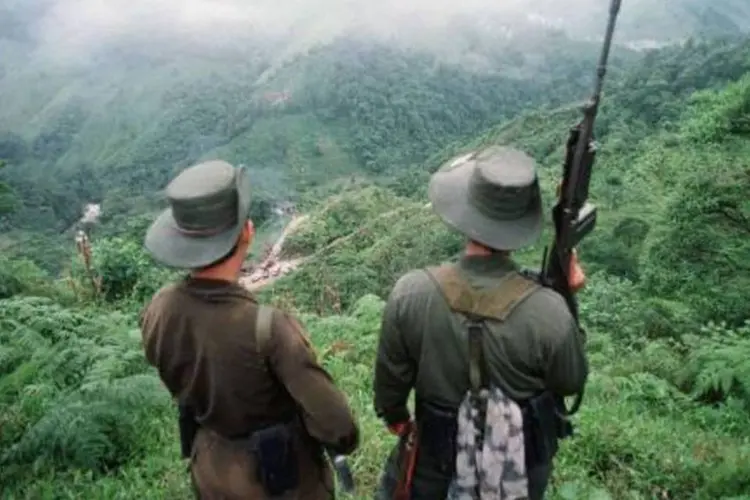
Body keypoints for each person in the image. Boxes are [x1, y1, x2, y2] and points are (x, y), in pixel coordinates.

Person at [373, 146, 589, 499]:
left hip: (434, 464)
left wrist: (398, 417)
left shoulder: (410, 293)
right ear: (521, 225)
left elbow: (391, 391)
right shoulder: (549, 311)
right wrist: (567, 298)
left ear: (468, 214)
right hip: (517, 471)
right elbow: (570, 380)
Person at [139, 160, 359, 499]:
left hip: (210, 470)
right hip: (278, 481)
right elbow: (339, 426)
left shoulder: (159, 307)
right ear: (247, 233)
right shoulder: (267, 328)